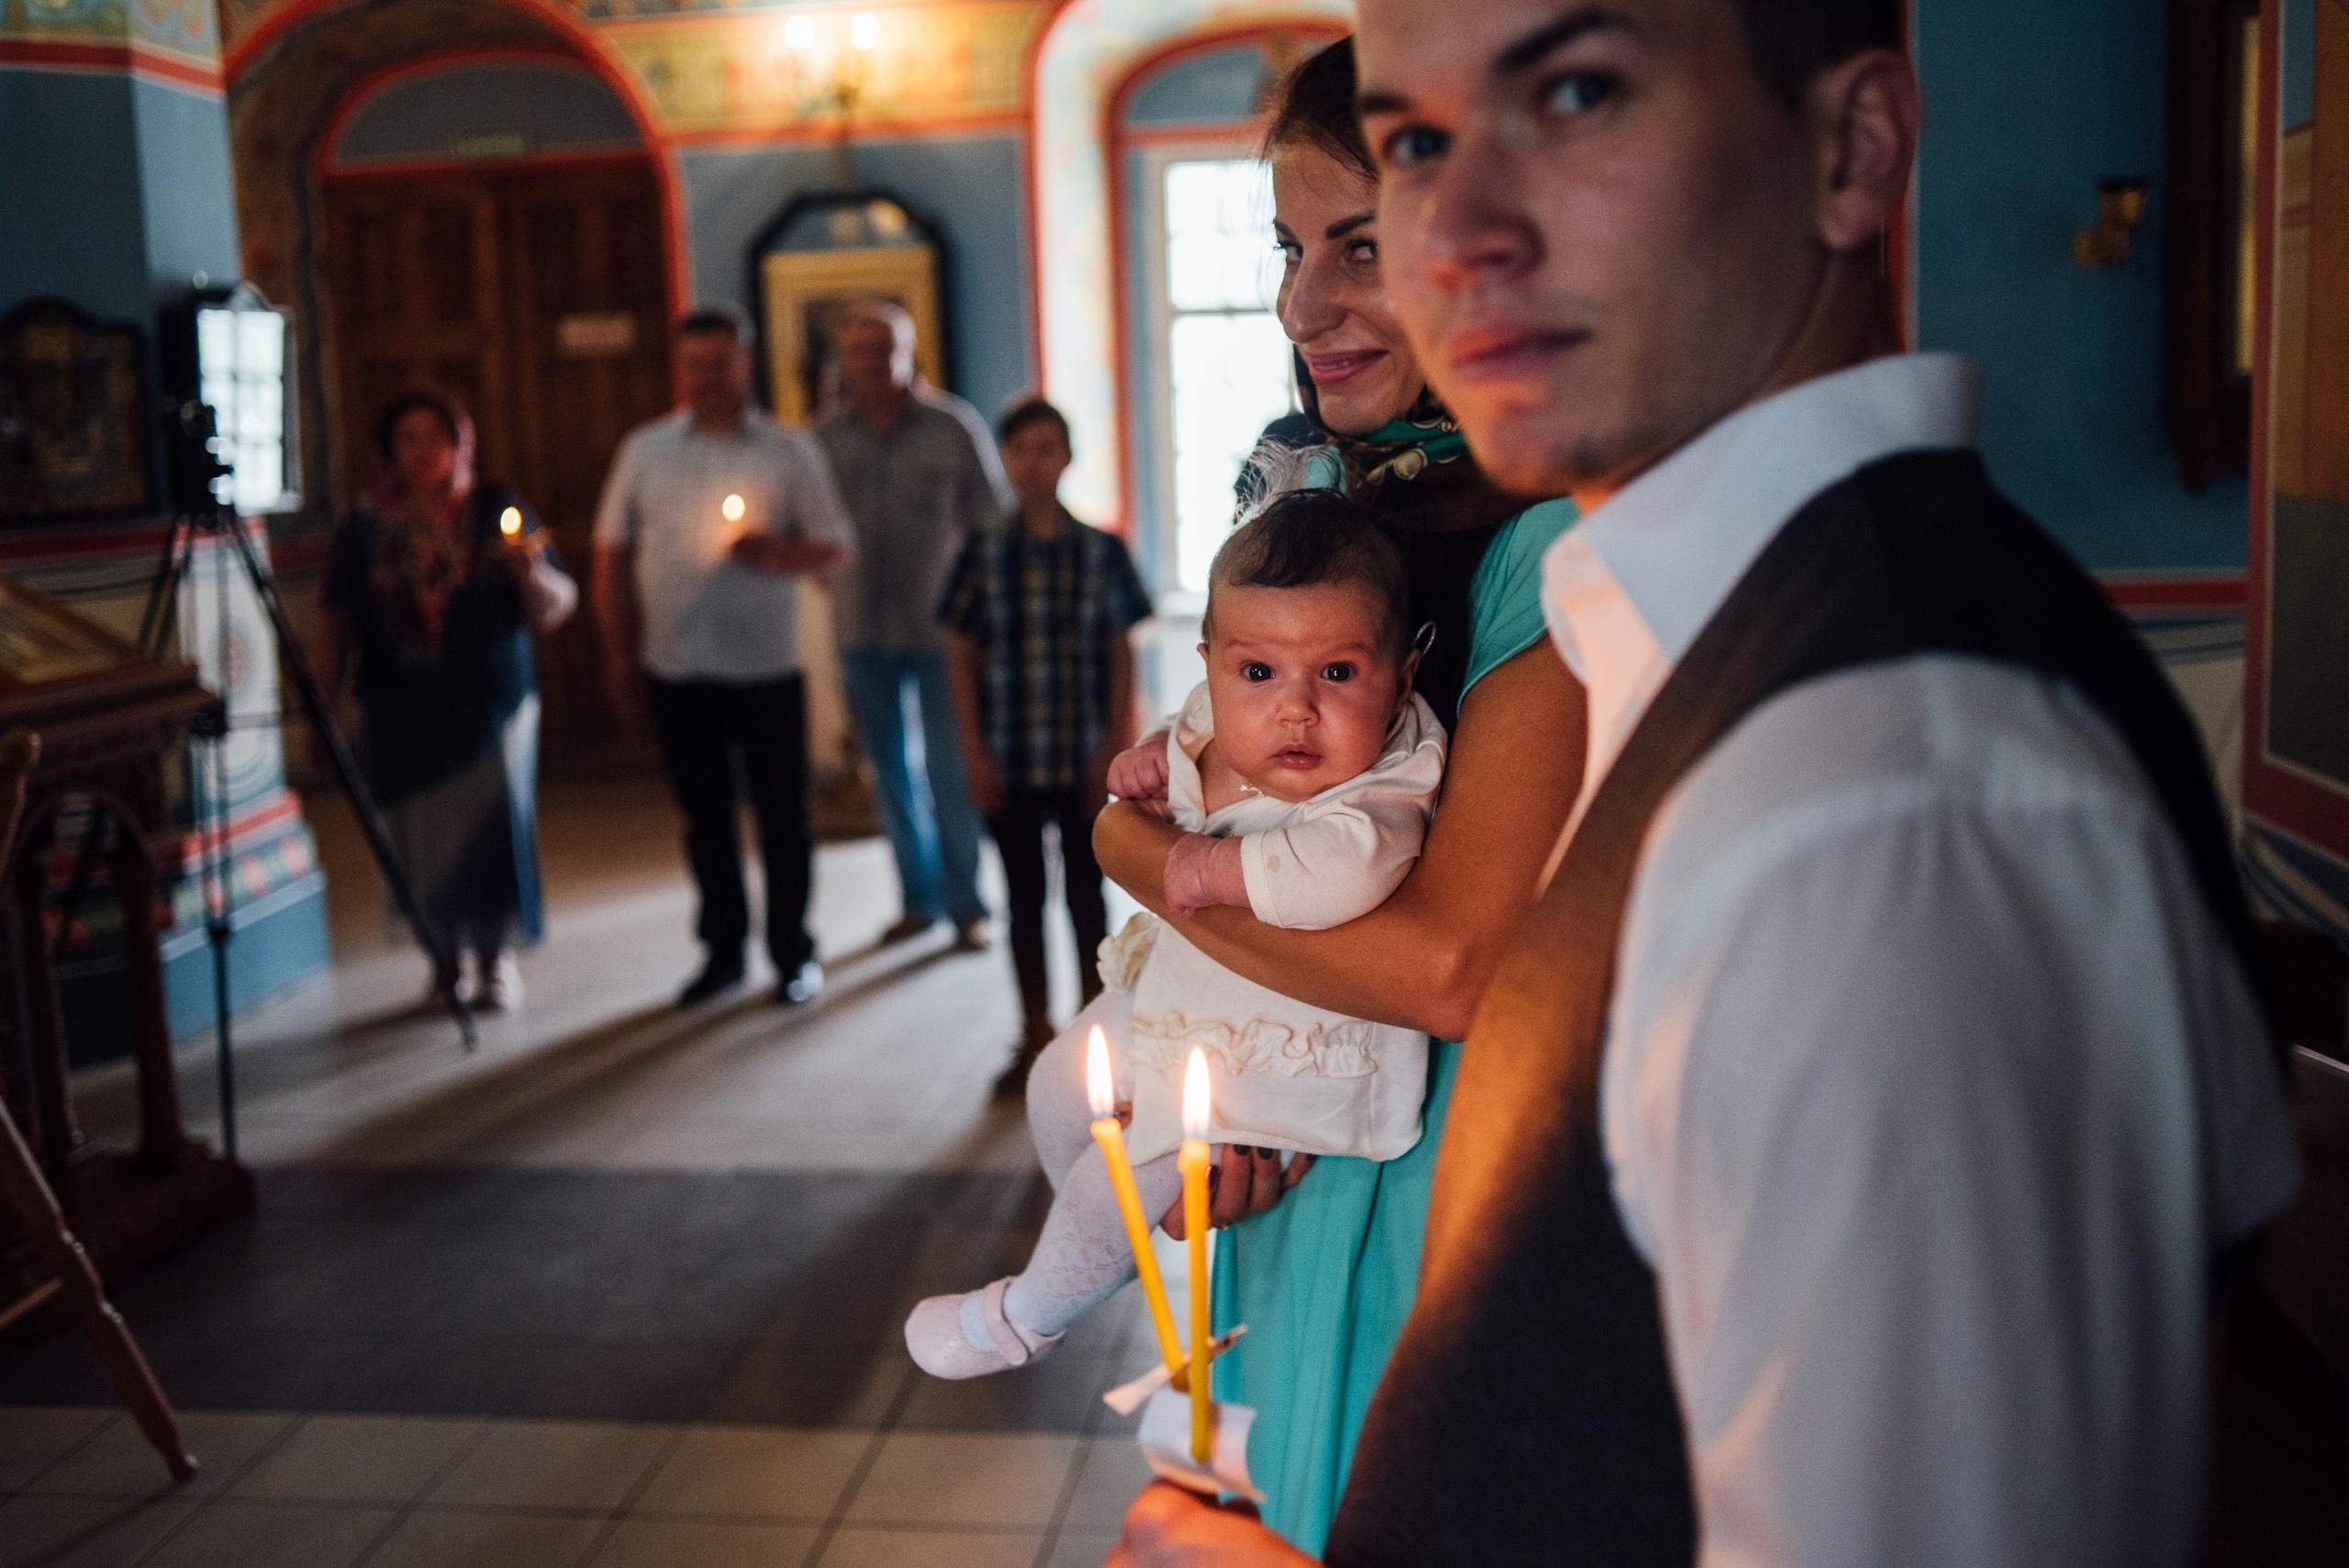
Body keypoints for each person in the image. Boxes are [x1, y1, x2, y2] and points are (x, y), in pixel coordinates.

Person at [1112, 1, 2299, 1564]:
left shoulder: (1893, 795)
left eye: (1580, 92)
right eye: (1412, 144)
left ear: (1851, 149)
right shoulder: (1700, 632)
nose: (1447, 232)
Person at [1091, 37, 1587, 1553]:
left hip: (1468, 1176)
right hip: (1318, 1166)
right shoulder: (1327, 517)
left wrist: (1127, 847)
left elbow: (1448, 959)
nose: (1307, 304)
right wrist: (1242, 1086)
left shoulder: (1560, 540)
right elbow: (1229, 816)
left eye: (1359, 244)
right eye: (1292, 249)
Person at [905, 493, 1442, 1377]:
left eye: (1339, 674)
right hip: (1185, 999)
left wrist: (1202, 868)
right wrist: (1156, 753)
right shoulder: (1216, 713)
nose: (1296, 709)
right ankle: (1094, 1251)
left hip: (1289, 1056)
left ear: (1402, 674)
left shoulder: (1384, 787)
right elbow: (1191, 726)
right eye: (1257, 673)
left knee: (1130, 1174)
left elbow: (1346, 872)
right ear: (1212, 661)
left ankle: (1027, 1315)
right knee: (1053, 1085)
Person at [592, 305, 855, 1008]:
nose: (710, 376)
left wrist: (777, 553)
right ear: (683, 370)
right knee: (704, 818)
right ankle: (722, 953)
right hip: (676, 665)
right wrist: (618, 655)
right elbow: (611, 555)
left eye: (723, 361)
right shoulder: (645, 450)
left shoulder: (789, 450)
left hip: (766, 667)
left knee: (783, 818)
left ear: (747, 362)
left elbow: (837, 547)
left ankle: (794, 953)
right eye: (697, 363)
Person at [316, 390, 575, 1013]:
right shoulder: (365, 527)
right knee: (419, 837)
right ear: (390, 449)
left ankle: (494, 960)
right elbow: (336, 623)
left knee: (490, 831)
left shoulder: (495, 509)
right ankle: (442, 963)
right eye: (408, 437)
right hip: (401, 704)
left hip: (488, 702)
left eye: (437, 436)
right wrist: (320, 711)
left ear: (461, 443)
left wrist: (530, 576)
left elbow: (557, 605)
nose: (423, 450)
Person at [940, 396, 1151, 1095]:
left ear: (1066, 457)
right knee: (1023, 898)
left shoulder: (1101, 550)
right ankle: (1033, 1033)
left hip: (1082, 755)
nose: (1034, 462)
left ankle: (1096, 1038)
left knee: (1088, 898)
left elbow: (1122, 651)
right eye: (1020, 449)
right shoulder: (981, 550)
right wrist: (973, 751)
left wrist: (1115, 746)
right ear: (1005, 459)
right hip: (1009, 756)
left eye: (1047, 448)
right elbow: (961, 652)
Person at [815, 300, 1008, 951]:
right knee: (888, 773)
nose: (872, 363)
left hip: (943, 635)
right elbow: (810, 528)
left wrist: (985, 617)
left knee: (952, 769)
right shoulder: (826, 438)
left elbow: (992, 522)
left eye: (885, 349)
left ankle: (966, 902)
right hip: (859, 628)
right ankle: (916, 900)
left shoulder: (953, 427)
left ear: (909, 354)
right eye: (860, 351)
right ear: (846, 361)